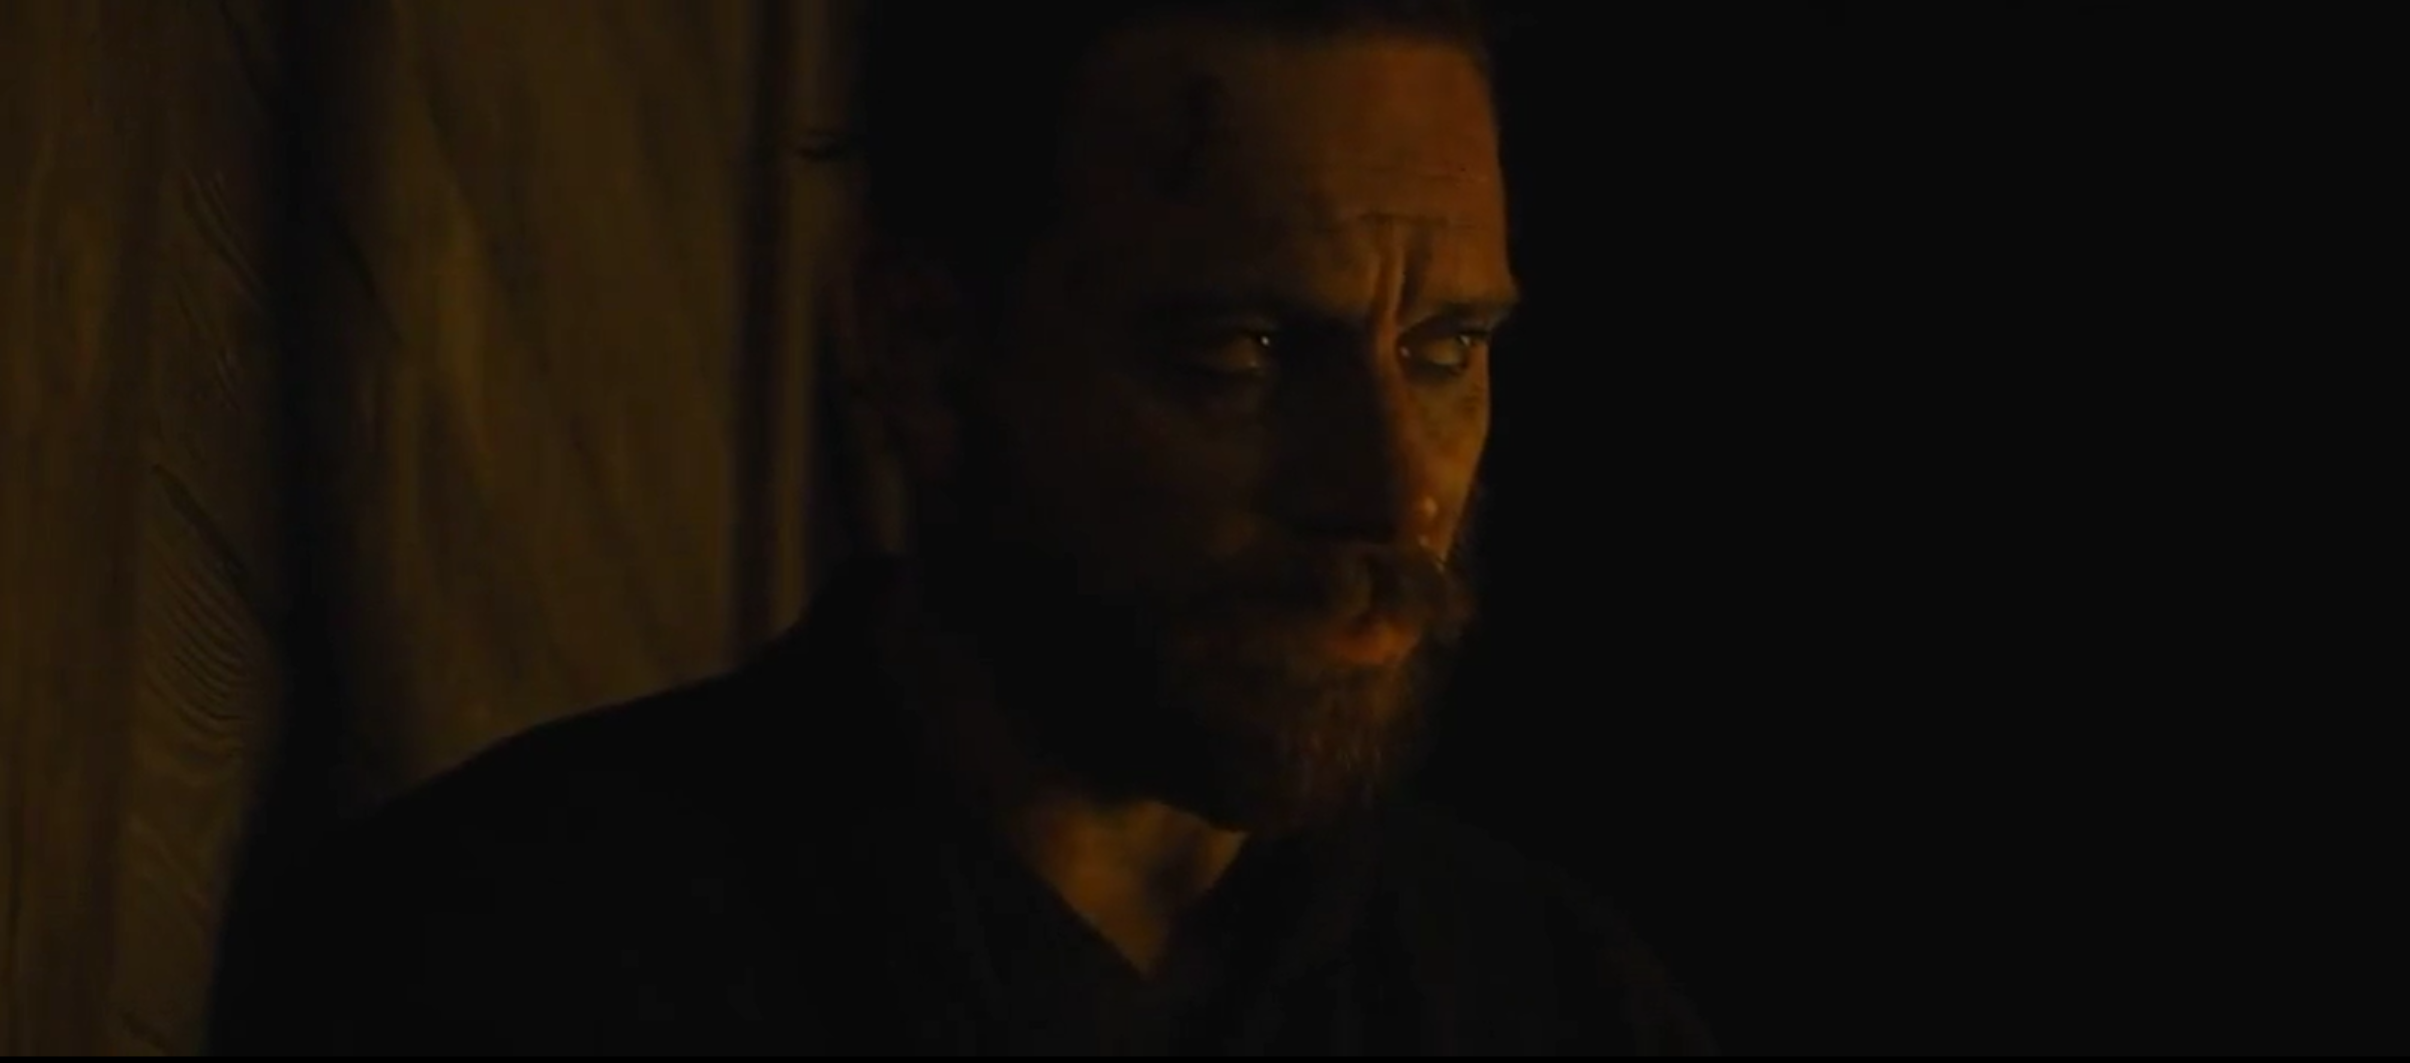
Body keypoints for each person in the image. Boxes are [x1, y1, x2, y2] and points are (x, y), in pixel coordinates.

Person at [210, 1, 1715, 1054]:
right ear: (926, 353)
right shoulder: (509, 954)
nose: (1397, 496)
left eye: (1445, 351)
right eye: (1244, 354)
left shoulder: (1565, 1013)